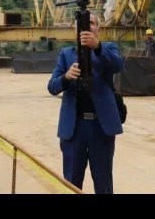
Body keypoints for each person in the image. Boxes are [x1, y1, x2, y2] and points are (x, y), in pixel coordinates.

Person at [47, 11, 124, 194]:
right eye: (82, 24)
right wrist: (66, 77)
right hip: (74, 128)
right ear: (75, 29)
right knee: (71, 183)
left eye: (91, 23)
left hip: (100, 126)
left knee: (103, 182)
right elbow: (52, 87)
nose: (87, 27)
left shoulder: (108, 49)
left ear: (99, 28)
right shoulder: (66, 54)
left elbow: (118, 66)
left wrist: (97, 47)